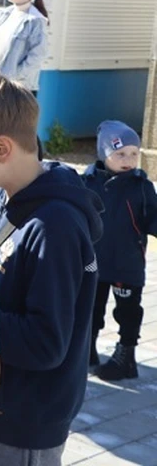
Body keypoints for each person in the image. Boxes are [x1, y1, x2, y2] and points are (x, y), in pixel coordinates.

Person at [0, 73, 102, 465]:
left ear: (1, 148)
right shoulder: (1, 198)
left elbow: (46, 342)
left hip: (26, 423)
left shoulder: (57, 227)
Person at [83, 120, 157, 381]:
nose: (128, 160)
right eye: (120, 154)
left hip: (127, 265)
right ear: (104, 154)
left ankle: (126, 356)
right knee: (90, 307)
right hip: (94, 263)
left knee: (127, 310)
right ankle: (86, 349)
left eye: (134, 154)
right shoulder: (87, 183)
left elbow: (153, 219)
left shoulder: (142, 187)